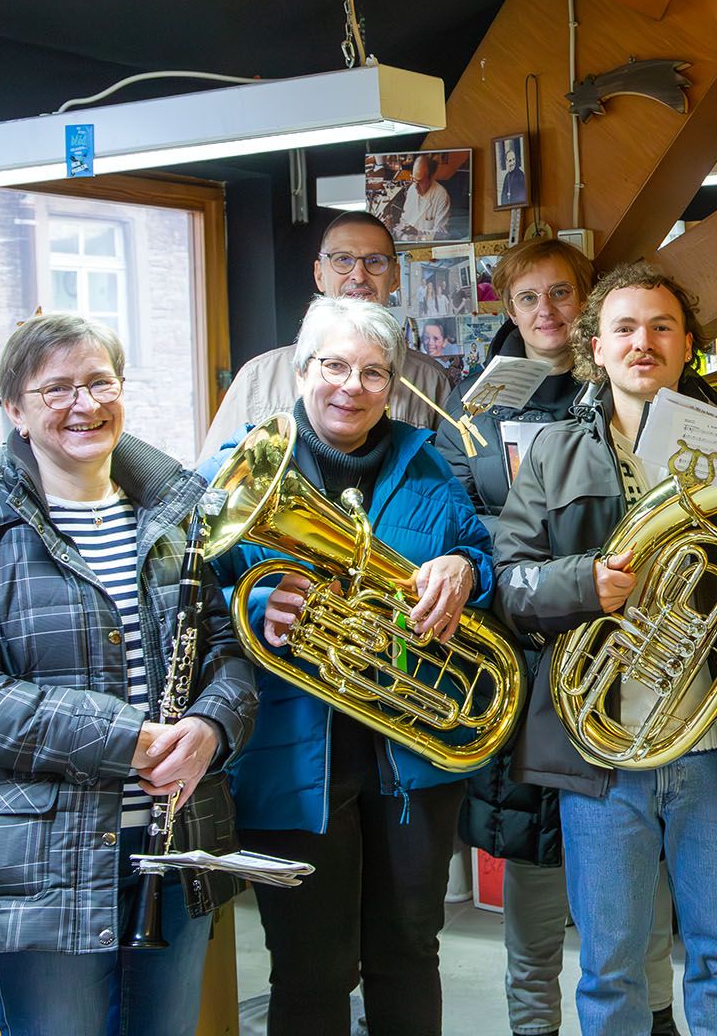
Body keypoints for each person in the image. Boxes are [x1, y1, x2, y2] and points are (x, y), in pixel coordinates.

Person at [0, 312, 257, 1036]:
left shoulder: (175, 513)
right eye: (56, 388)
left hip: (173, 844)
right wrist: (127, 739)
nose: (84, 405)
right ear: (14, 409)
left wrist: (210, 727)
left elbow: (226, 651)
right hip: (42, 864)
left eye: (100, 382)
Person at [495, 261, 717, 1035]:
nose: (645, 342)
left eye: (663, 327)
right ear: (594, 349)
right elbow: (510, 586)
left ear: (687, 346)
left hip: (716, 742)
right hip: (599, 749)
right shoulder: (549, 453)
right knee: (609, 968)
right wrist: (584, 583)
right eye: (625, 328)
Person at [206, 297, 496, 1036]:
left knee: (408, 952)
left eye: (374, 372)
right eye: (334, 366)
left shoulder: (425, 459)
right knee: (311, 968)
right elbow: (193, 593)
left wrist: (463, 569)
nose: (352, 387)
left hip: (410, 758)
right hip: (289, 755)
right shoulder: (238, 466)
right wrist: (258, 596)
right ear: (302, 371)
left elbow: (481, 554)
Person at [439, 239, 684, 1036]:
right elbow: (467, 538)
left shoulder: (644, 394)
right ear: (508, 312)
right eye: (526, 299)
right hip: (527, 666)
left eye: (562, 295)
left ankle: (653, 1018)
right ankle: (531, 1024)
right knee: (534, 876)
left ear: (588, 312)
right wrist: (521, 533)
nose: (546, 312)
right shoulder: (473, 417)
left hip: (631, 668)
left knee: (636, 880)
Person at [198, 210, 451, 462]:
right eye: (342, 259)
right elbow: (211, 490)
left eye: (374, 261)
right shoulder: (258, 379)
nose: (358, 275)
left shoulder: (431, 381)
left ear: (395, 276)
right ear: (319, 273)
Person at [398, 152, 453, 241]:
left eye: (420, 181)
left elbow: (442, 234)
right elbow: (404, 218)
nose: (415, 186)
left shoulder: (442, 196)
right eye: (413, 179)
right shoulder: (413, 188)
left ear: (430, 177)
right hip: (408, 239)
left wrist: (418, 232)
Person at [497, 140, 527, 208]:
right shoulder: (507, 176)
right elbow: (503, 196)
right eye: (510, 160)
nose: (513, 162)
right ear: (506, 162)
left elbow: (521, 197)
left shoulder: (520, 175)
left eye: (514, 159)